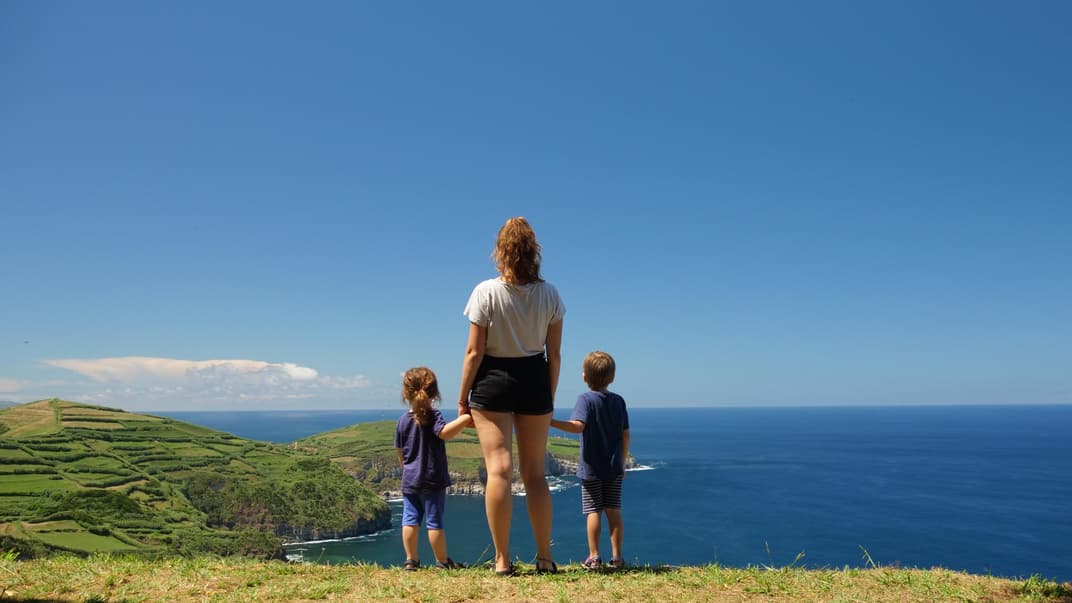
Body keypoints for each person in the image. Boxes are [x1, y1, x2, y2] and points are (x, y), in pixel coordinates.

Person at [458, 216, 565, 575]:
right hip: (535, 378)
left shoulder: (484, 292)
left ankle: (502, 560)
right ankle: (544, 559)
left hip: (492, 380)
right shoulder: (550, 294)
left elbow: (474, 352)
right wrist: (549, 395)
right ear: (534, 251)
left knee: (498, 471)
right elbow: (554, 354)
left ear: (500, 250)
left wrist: (462, 398)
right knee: (535, 474)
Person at [550, 350, 630, 570]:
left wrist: (551, 421)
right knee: (614, 510)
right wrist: (622, 462)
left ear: (584, 376)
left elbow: (577, 426)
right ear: (612, 377)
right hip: (614, 468)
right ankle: (617, 557)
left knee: (593, 510)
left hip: (591, 468)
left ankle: (594, 557)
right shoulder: (618, 401)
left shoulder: (585, 399)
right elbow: (625, 435)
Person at [395, 366, 473, 571]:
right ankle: (442, 561)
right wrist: (465, 419)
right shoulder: (434, 415)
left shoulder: (402, 421)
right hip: (432, 479)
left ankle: (411, 561)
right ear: (435, 393)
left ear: (406, 393)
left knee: (410, 520)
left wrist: (408, 471)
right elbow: (444, 433)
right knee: (434, 521)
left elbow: (400, 453)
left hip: (410, 480)